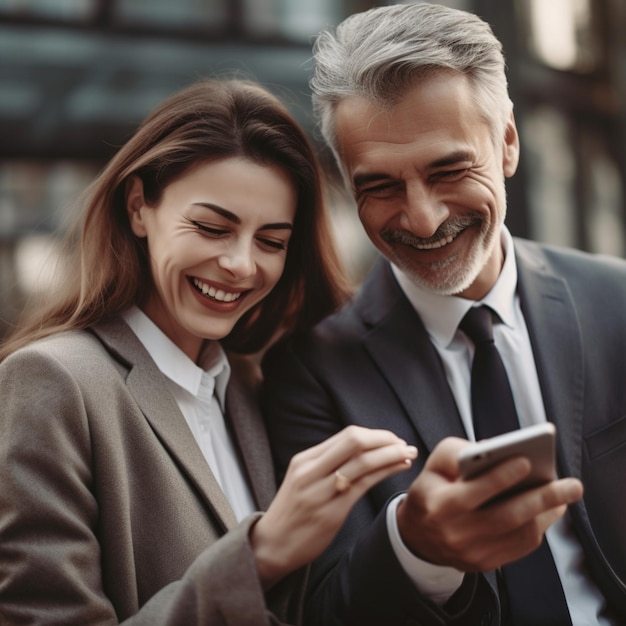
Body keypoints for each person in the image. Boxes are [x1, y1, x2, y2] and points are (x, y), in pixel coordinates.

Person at [0, 78, 419, 625]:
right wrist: (259, 554)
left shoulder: (252, 385)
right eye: (211, 227)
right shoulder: (53, 382)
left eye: (271, 241)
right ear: (138, 208)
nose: (242, 265)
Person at [261, 3, 626, 625]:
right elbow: (323, 608)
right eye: (378, 187)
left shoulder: (615, 300)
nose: (423, 219)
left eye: (449, 170)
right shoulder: (310, 370)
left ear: (507, 143)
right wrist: (416, 550)